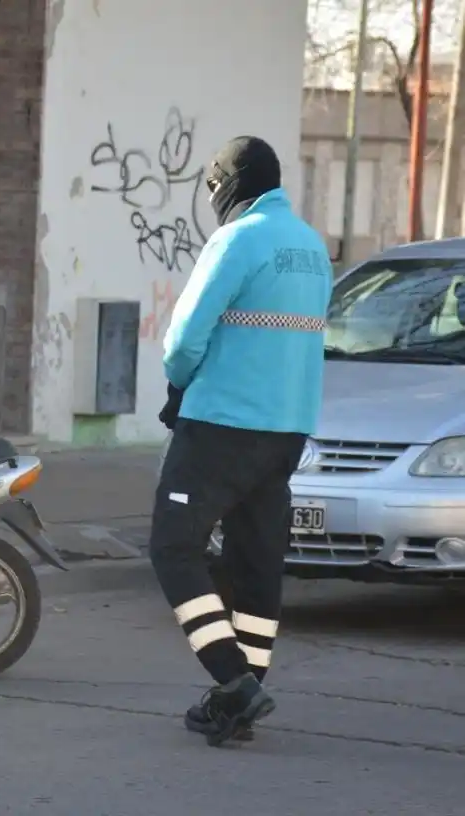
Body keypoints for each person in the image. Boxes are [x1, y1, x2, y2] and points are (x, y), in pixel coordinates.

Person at [149, 135, 332, 746]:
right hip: (286, 431)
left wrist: (178, 386)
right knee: (255, 566)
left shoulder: (237, 240)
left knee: (175, 549)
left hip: (222, 426)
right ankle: (240, 702)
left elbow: (183, 340)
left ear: (228, 184)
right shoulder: (311, 247)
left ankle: (233, 682)